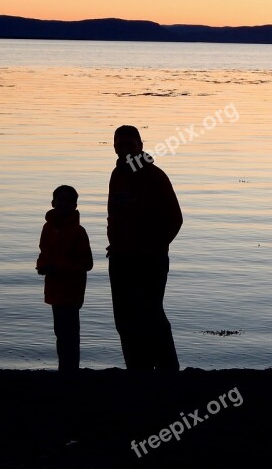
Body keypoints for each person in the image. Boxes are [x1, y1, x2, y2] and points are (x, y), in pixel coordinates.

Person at [107, 125, 182, 371]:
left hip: (150, 260)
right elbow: (113, 215)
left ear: (140, 145)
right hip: (120, 259)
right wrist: (114, 243)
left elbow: (175, 219)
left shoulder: (155, 176)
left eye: (130, 144)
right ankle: (137, 368)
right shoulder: (116, 175)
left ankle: (168, 369)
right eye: (120, 143)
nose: (125, 148)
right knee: (124, 318)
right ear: (114, 146)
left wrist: (155, 247)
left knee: (151, 314)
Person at [36, 185, 93, 373]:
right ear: (53, 203)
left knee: (70, 333)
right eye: (60, 200)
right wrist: (42, 265)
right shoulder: (48, 228)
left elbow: (86, 263)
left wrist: (59, 266)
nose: (63, 203)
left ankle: (71, 370)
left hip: (72, 290)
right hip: (54, 288)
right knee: (60, 332)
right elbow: (44, 251)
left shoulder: (78, 231)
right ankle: (64, 368)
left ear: (75, 205)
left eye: (68, 200)